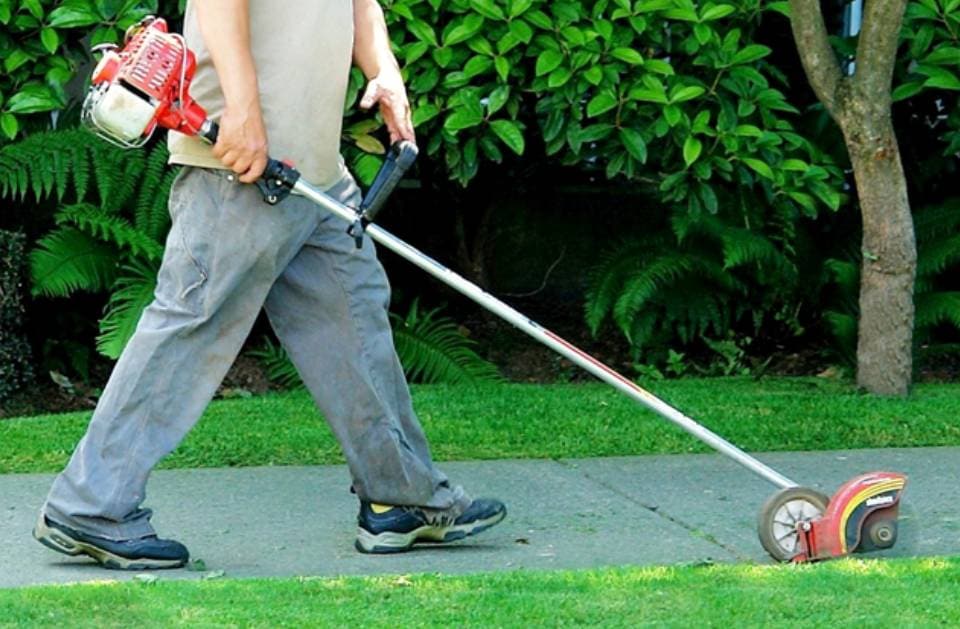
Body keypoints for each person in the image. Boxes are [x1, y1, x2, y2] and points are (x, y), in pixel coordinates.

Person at [33, 0, 506, 570]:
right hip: (241, 164)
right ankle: (91, 506)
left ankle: (399, 497)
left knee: (353, 328)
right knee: (190, 329)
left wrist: (383, 70)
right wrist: (242, 111)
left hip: (318, 175)